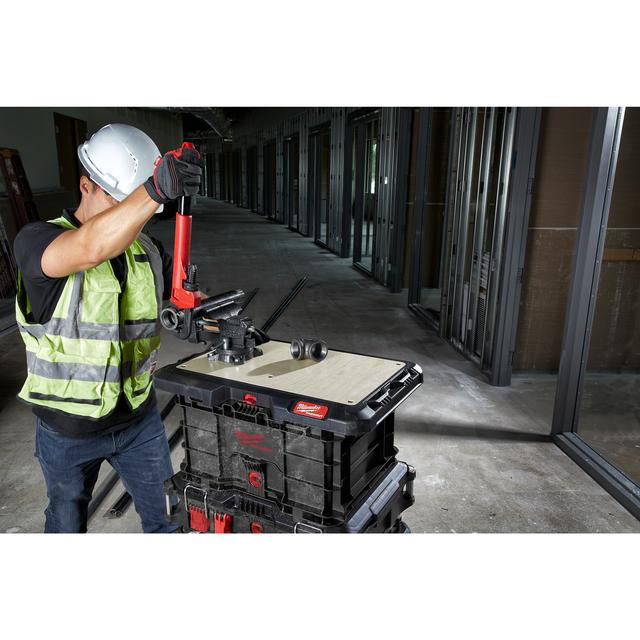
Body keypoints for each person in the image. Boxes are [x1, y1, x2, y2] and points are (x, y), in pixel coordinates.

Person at [13, 123, 203, 533]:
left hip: (139, 420)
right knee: (66, 527)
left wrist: (198, 312)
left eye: (140, 208)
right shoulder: (37, 241)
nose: (133, 218)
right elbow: (90, 248)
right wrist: (153, 191)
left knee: (169, 522)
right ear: (86, 186)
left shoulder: (147, 249)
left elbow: (181, 295)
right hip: (67, 429)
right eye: (123, 203)